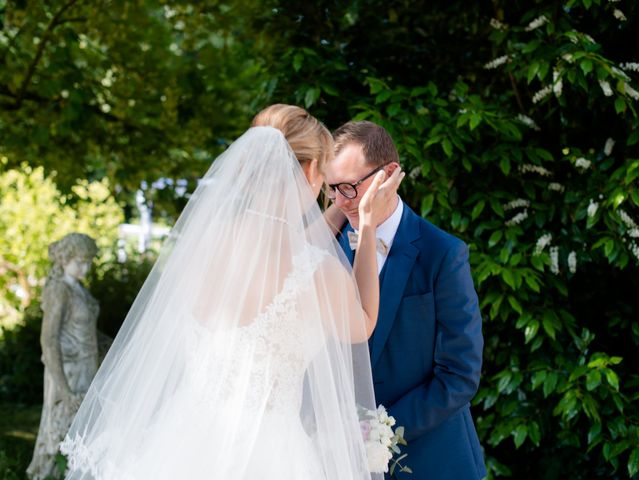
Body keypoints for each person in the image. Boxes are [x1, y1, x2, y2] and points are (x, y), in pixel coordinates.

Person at [60, 105, 403, 479]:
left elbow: (279, 252)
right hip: (269, 452)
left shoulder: (203, 243)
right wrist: (367, 225)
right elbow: (363, 322)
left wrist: (337, 210)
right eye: (324, 173)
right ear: (308, 172)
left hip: (182, 437)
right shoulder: (315, 271)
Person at [325, 121, 486, 479]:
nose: (342, 201)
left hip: (432, 461)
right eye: (333, 188)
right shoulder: (324, 250)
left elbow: (459, 374)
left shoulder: (442, 253)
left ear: (389, 175)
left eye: (351, 186)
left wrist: (376, 434)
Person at [28, 233, 100, 480]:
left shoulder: (77, 289)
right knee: (59, 434)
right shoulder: (58, 290)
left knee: (84, 434)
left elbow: (88, 331)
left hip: (87, 368)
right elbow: (49, 340)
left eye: (89, 261)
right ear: (64, 259)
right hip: (67, 372)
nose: (86, 267)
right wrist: (64, 390)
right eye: (80, 261)